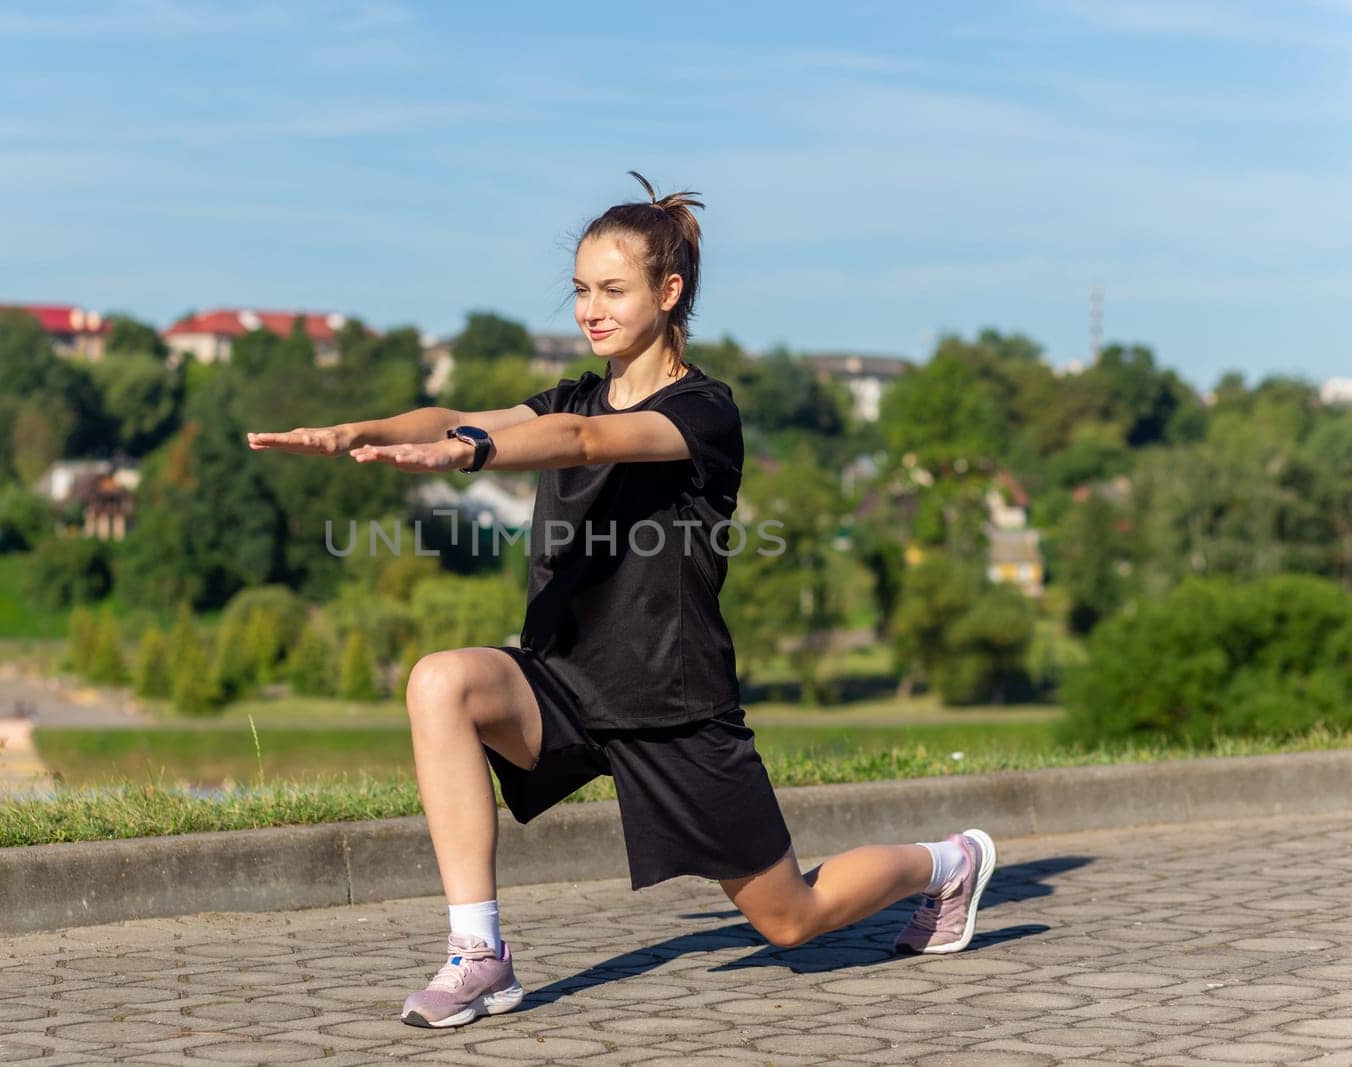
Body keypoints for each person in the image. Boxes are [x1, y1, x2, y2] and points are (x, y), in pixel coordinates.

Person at [248, 172, 996, 1030]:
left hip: (671, 705)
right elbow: (461, 410)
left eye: (612, 290)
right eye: (578, 290)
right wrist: (365, 432)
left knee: (791, 918)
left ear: (668, 292)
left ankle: (948, 863)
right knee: (439, 682)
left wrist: (468, 454)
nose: (589, 310)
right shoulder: (569, 391)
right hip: (565, 682)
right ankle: (479, 952)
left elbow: (585, 440)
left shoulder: (703, 411)